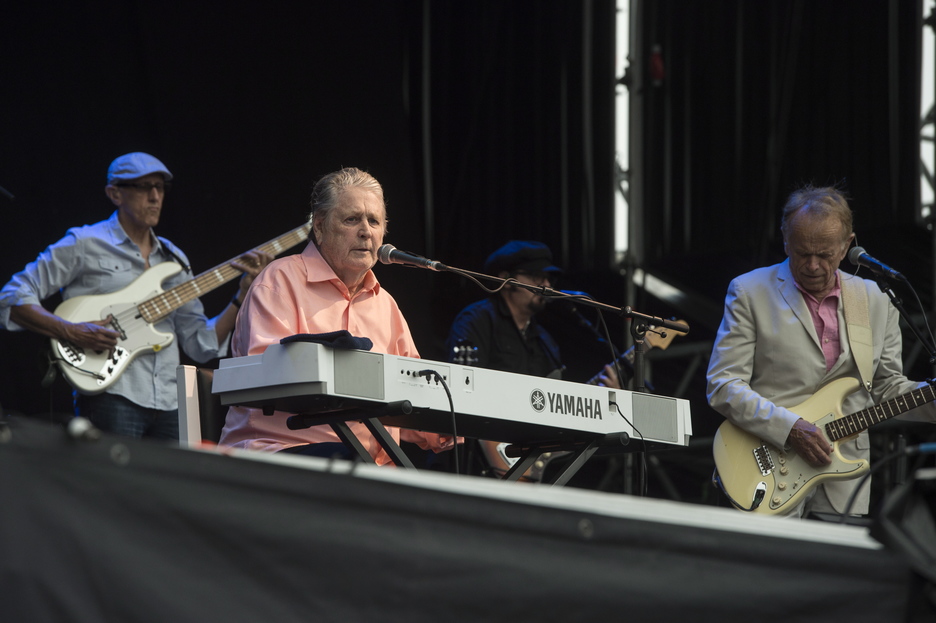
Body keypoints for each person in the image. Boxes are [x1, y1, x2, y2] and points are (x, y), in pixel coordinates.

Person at [0, 152, 271, 439]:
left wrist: (241, 297)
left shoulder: (174, 259)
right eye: (144, 187)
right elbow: (11, 297)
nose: (155, 196)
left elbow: (200, 343)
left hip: (170, 401)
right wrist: (71, 331)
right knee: (112, 484)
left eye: (160, 187)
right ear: (115, 193)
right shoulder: (84, 242)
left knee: (168, 485)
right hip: (112, 394)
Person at [706, 185, 936, 518]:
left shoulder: (875, 299)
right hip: (766, 464)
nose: (813, 265)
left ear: (847, 245)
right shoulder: (750, 291)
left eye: (825, 255)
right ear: (785, 239)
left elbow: (885, 389)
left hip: (845, 480)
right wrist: (791, 428)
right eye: (802, 253)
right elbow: (723, 384)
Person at [218, 167, 458, 464]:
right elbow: (266, 378)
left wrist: (447, 423)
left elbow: (412, 388)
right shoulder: (278, 281)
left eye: (374, 221)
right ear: (319, 226)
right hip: (282, 453)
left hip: (369, 466)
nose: (366, 231)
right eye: (352, 219)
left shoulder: (385, 304)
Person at [445, 240, 620, 478]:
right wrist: (499, 462)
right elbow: (463, 394)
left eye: (549, 279)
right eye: (537, 277)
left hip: (526, 459)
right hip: (475, 466)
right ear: (507, 279)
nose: (546, 284)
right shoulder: (475, 321)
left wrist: (602, 398)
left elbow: (555, 407)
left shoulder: (545, 341)